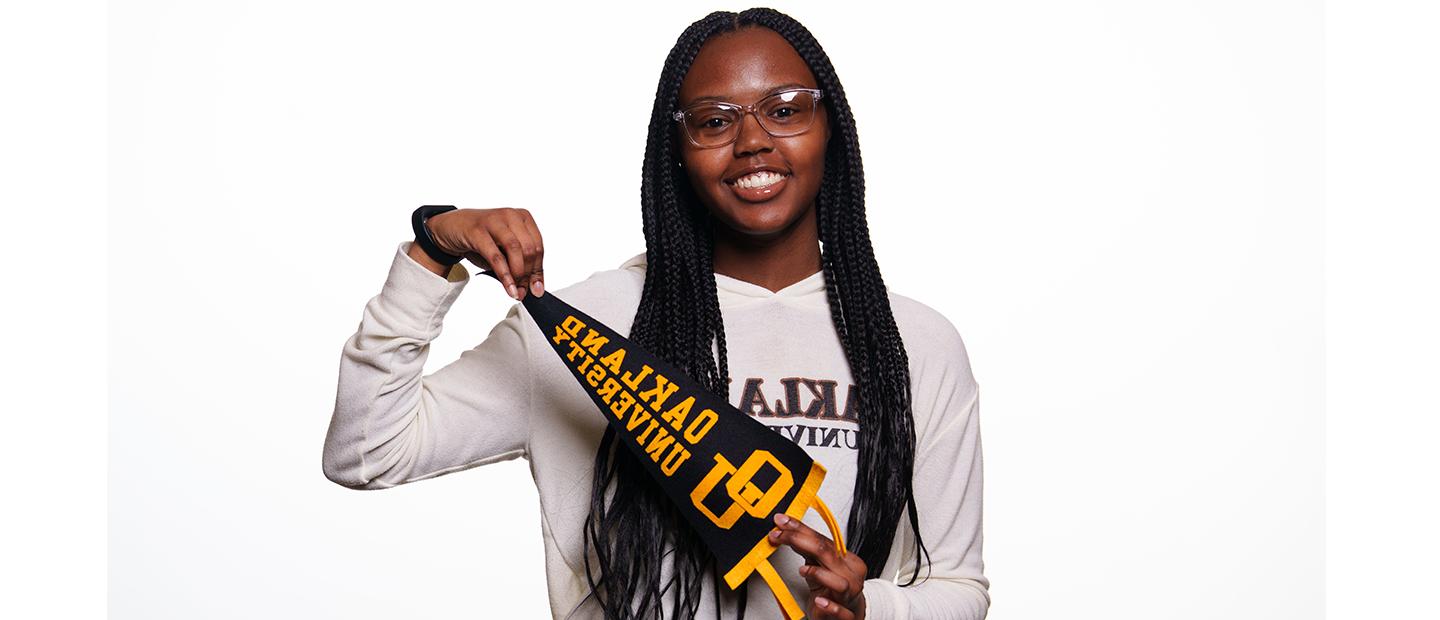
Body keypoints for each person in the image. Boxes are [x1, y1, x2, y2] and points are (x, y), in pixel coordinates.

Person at [323, 8, 989, 619]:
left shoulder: (915, 344)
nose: (753, 141)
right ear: (678, 150)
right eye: (715, 120)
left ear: (831, 130)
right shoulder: (587, 325)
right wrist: (434, 250)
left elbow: (960, 590)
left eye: (785, 110)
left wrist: (871, 607)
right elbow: (367, 451)